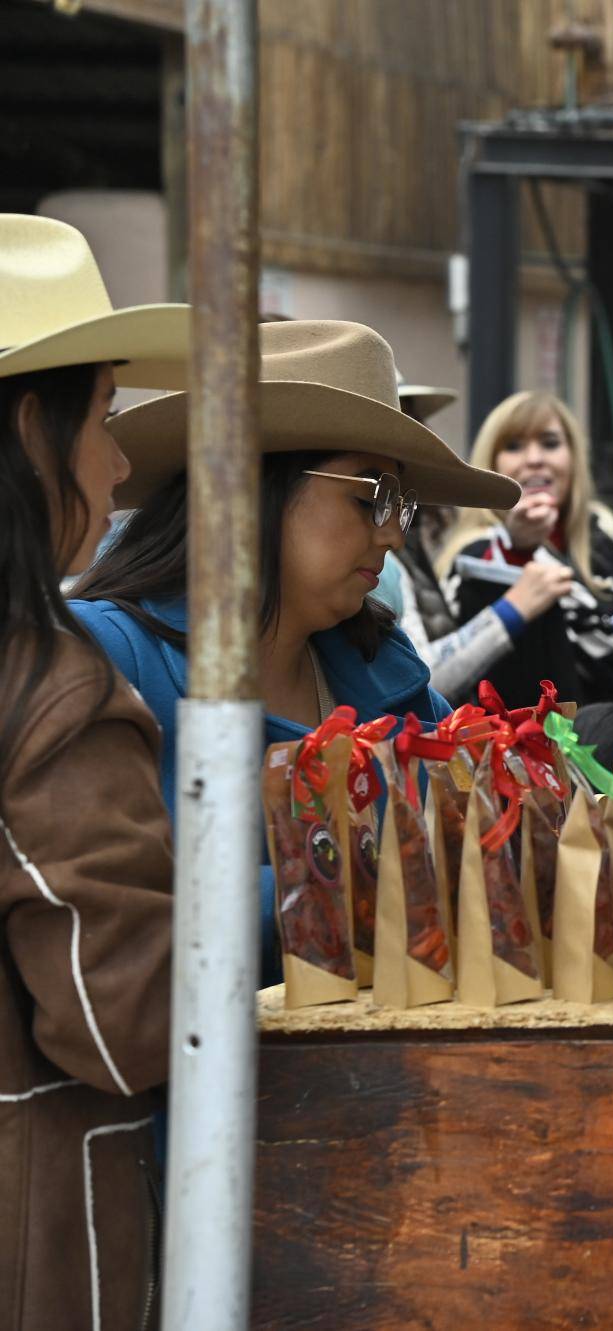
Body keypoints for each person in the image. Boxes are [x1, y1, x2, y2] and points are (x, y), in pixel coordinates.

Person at [68, 319, 519, 977]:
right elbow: (102, 910)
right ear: (253, 490)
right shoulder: (107, 658)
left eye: (404, 504)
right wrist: (350, 881)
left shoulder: (389, 671)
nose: (394, 535)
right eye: (373, 496)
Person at [0, 213, 182, 1328]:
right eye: (107, 418)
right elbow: (123, 1021)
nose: (120, 463)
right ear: (34, 430)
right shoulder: (50, 691)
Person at [435, 390, 613, 711]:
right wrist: (516, 553)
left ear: (574, 457)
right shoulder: (472, 555)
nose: (534, 458)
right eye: (514, 446)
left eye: (550, 443)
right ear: (490, 463)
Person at [375, 380, 573, 703]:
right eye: (513, 446)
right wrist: (512, 607)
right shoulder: (406, 553)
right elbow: (417, 675)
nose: (535, 459)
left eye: (414, 429)